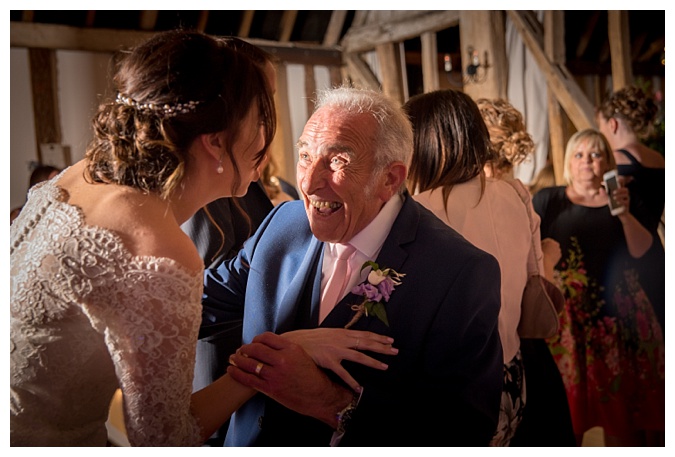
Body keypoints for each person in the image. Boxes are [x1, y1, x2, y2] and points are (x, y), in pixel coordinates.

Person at [10, 30, 395, 447]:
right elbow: (164, 439)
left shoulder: (76, 177)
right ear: (215, 142)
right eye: (260, 120)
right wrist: (268, 361)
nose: (268, 141)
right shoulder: (155, 248)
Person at [209, 86, 504, 446]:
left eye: (337, 161)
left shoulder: (459, 272)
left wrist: (330, 402)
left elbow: (463, 431)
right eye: (305, 155)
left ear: (390, 178)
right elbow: (202, 304)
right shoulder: (283, 223)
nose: (308, 182)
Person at [402, 89, 552, 446]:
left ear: (425, 142)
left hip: (454, 382)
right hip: (513, 374)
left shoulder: (415, 212)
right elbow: (537, 275)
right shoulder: (516, 193)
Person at [532, 128, 665, 446]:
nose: (587, 161)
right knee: (567, 411)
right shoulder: (549, 199)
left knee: (622, 415)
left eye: (595, 154)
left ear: (607, 161)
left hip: (621, 317)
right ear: (569, 161)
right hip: (568, 318)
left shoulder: (626, 199)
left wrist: (624, 213)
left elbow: (642, 250)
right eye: (579, 154)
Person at [473, 96, 576, 446]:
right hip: (520, 341)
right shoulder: (517, 195)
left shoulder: (457, 198)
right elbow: (537, 279)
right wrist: (548, 253)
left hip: (479, 341)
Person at [596, 85, 664, 234]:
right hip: (654, 246)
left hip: (625, 248)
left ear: (612, 124)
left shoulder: (615, 159)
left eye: (601, 126)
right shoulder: (659, 159)